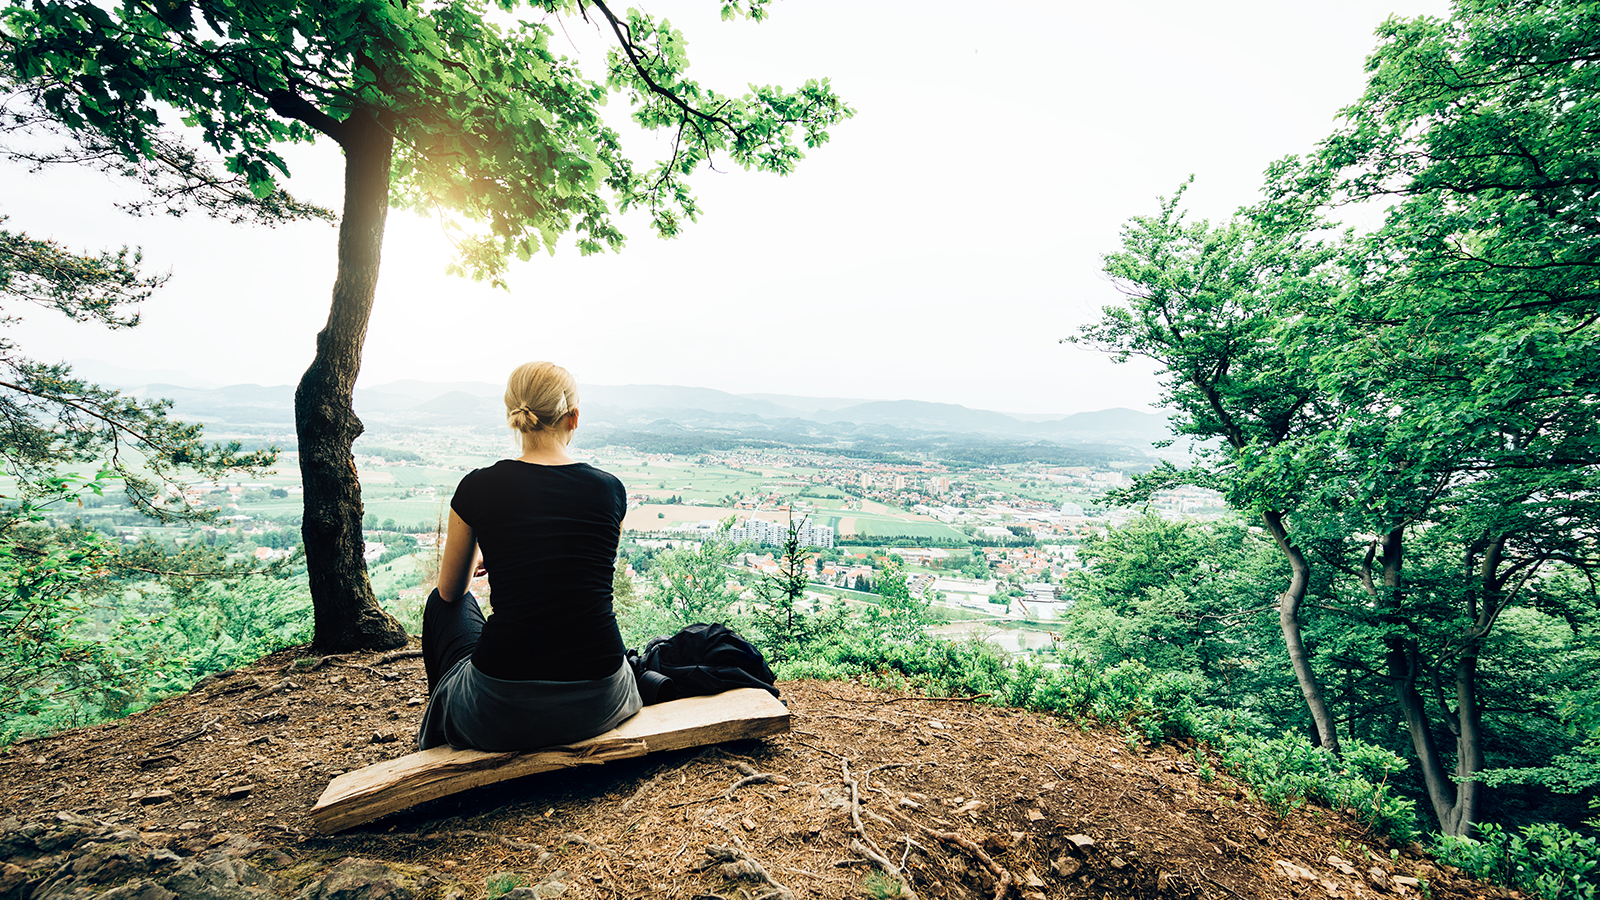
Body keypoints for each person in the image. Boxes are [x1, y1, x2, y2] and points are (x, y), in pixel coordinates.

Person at [417, 362, 642, 751]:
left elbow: (452, 591)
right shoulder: (610, 491)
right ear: (573, 417)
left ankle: (445, 729)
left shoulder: (477, 488)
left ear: (514, 418)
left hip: (500, 711)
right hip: (604, 697)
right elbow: (582, 573)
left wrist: (489, 557)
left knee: (442, 605)